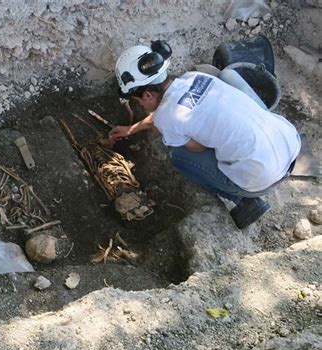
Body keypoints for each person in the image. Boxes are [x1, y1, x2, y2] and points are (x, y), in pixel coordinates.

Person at [109, 41, 301, 229]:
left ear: (147, 95)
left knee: (180, 157)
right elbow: (168, 113)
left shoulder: (165, 118)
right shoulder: (195, 77)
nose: (142, 106)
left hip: (262, 179)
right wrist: (132, 129)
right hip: (289, 143)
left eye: (139, 102)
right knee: (228, 75)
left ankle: (243, 200)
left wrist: (189, 131)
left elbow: (200, 148)